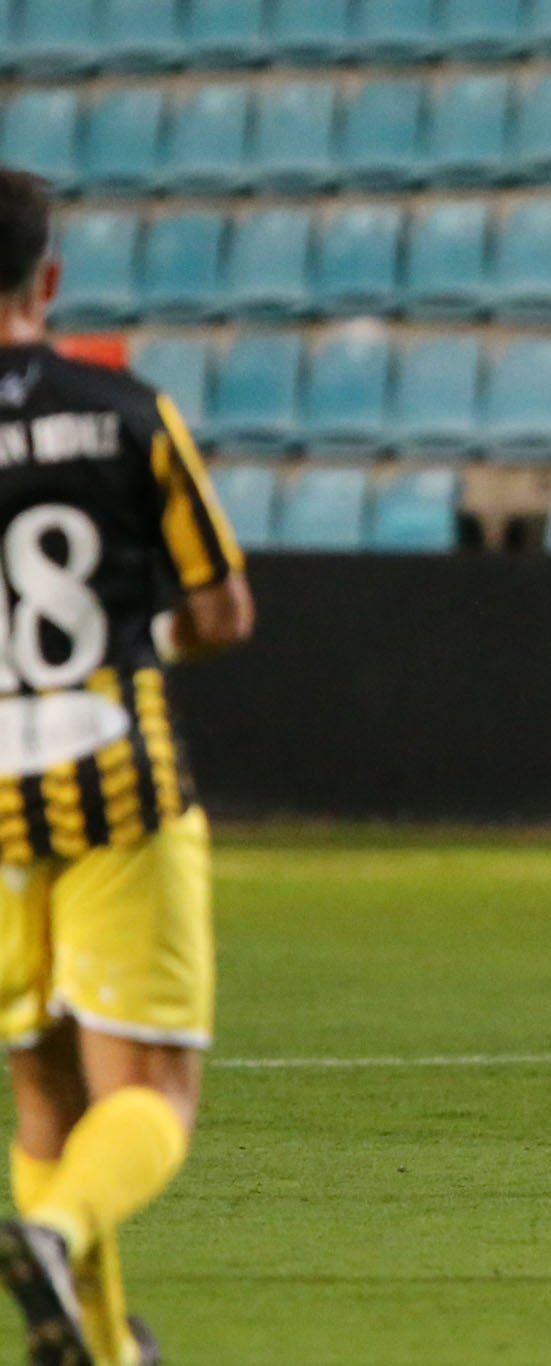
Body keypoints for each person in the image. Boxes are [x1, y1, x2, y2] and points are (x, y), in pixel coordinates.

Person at [0, 169, 253, 1363]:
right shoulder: (127, 410)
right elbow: (222, 611)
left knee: (45, 1094)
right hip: (118, 781)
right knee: (150, 1091)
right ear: (46, 279)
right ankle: (50, 1234)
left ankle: (101, 1347)